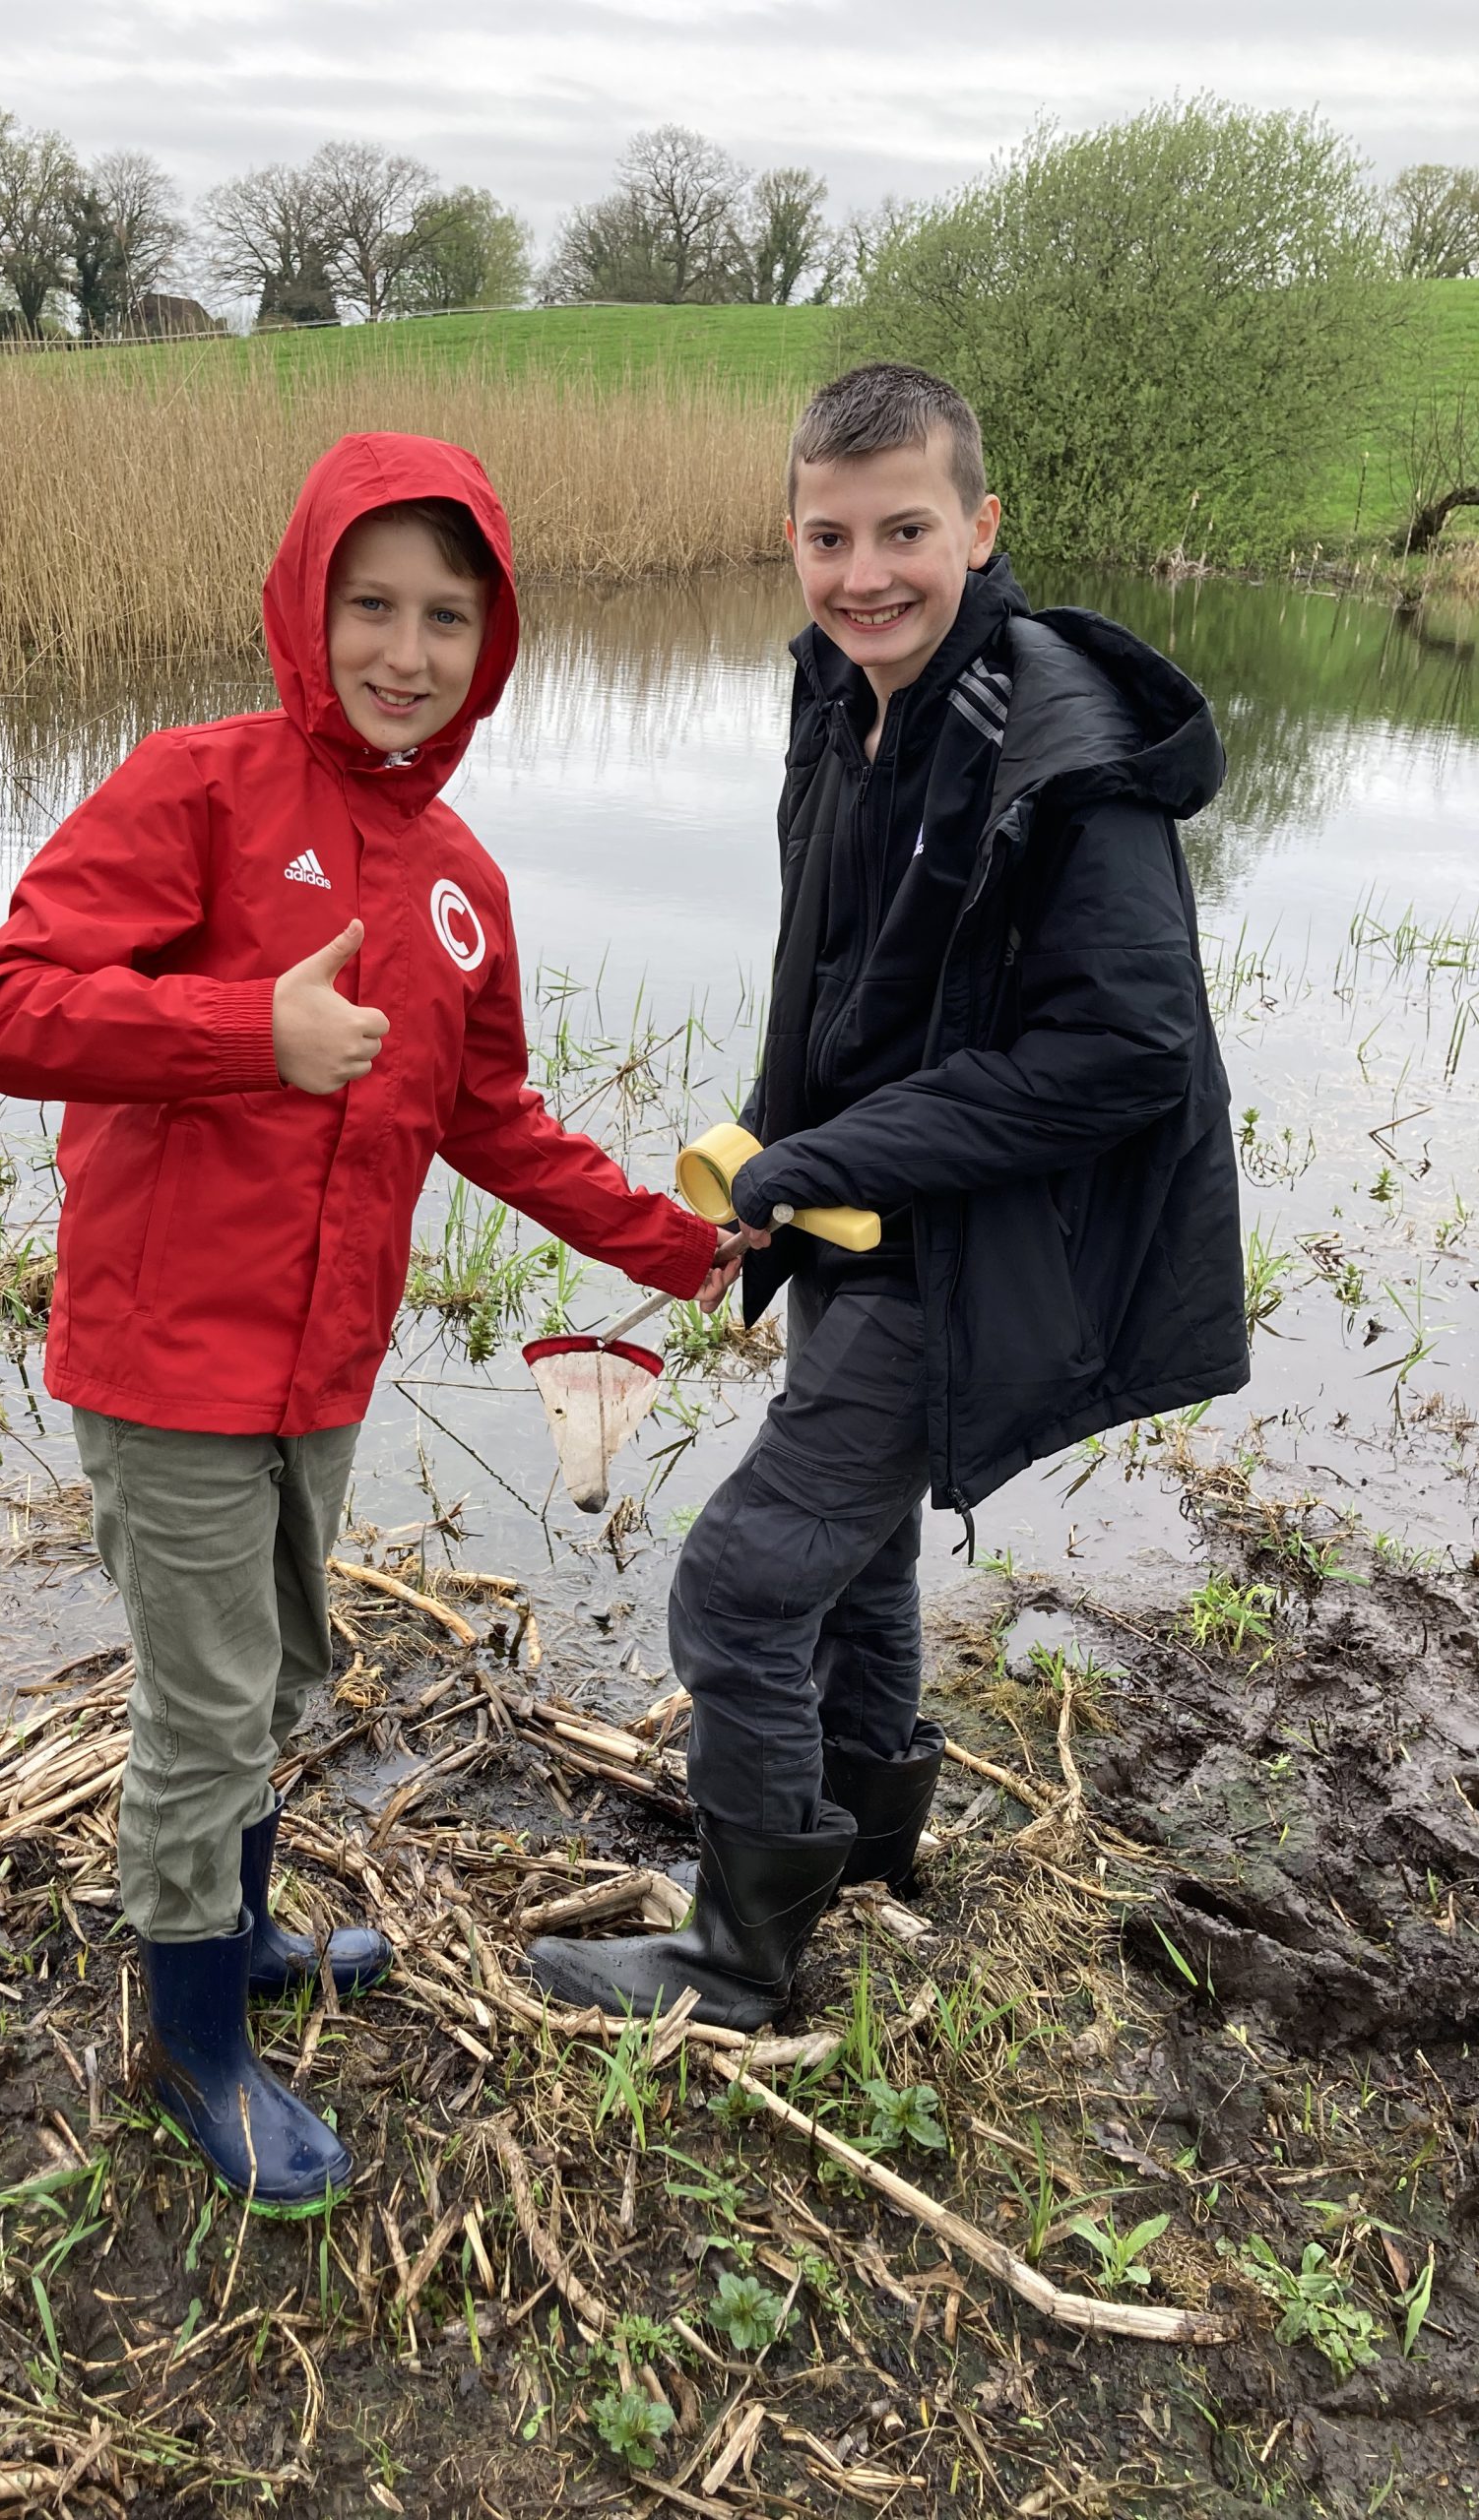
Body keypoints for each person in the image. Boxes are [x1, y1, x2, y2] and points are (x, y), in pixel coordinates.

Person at [0, 432, 729, 2207]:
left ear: (491, 642)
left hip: (322, 1367)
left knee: (284, 1667)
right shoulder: (197, 789)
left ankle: (237, 1933)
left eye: (448, 616)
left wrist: (679, 1247)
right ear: (306, 604)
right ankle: (192, 2048)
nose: (405, 648)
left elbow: (493, 1117)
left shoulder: (462, 882)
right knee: (211, 1705)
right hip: (168, 1354)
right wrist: (249, 1033)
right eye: (370, 603)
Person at [528, 362, 1249, 2031]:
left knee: (739, 1586)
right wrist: (770, 1155)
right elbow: (846, 969)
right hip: (866, 1216)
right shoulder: (843, 694)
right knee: (853, 1561)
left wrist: (833, 1160)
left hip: (975, 1247)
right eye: (830, 537)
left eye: (905, 532)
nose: (866, 575)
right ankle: (862, 1840)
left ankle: (740, 1957)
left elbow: (1128, 1052)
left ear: (981, 529)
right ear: (792, 538)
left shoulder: (1058, 742)